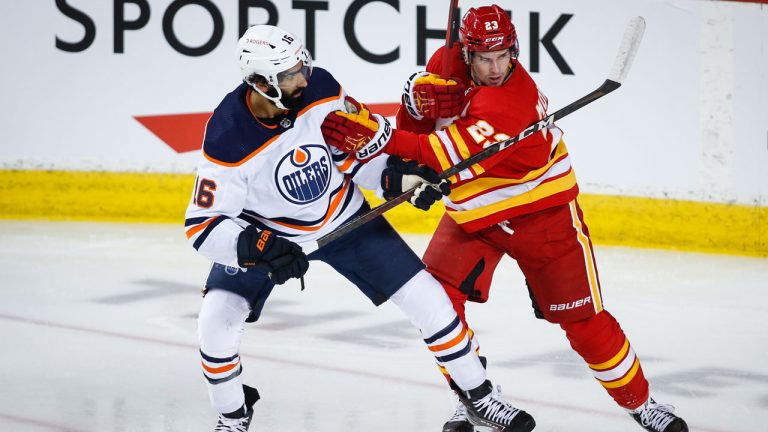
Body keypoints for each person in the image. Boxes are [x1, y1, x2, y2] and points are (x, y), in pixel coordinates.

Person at [321, 5, 689, 432]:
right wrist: (415, 106)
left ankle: (642, 403)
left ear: (514, 50)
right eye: (484, 58)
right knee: (438, 307)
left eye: (503, 57)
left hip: (541, 214)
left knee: (583, 325)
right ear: (467, 52)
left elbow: (431, 154)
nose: (496, 68)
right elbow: (419, 135)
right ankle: (473, 395)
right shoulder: (445, 63)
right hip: (472, 217)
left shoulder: (511, 102)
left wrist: (376, 135)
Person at [184, 24, 536, 432]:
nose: (302, 78)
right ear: (260, 83)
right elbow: (203, 227)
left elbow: (352, 153)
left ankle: (480, 397)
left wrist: (397, 180)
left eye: (301, 66)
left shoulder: (320, 89)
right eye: (289, 75)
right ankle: (233, 416)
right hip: (272, 234)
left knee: (430, 300)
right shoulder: (228, 136)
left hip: (345, 216)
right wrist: (257, 246)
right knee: (214, 325)